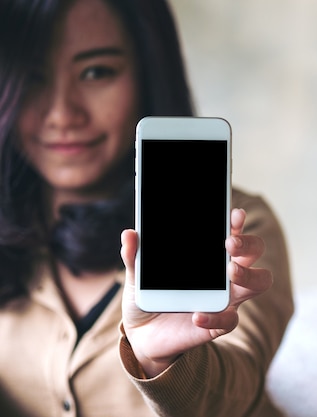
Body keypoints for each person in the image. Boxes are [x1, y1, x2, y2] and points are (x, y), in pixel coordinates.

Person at [0, 0, 294, 416]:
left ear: (148, 73)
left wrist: (161, 361)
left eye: (96, 72)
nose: (62, 113)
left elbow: (237, 387)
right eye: (32, 77)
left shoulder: (239, 230)